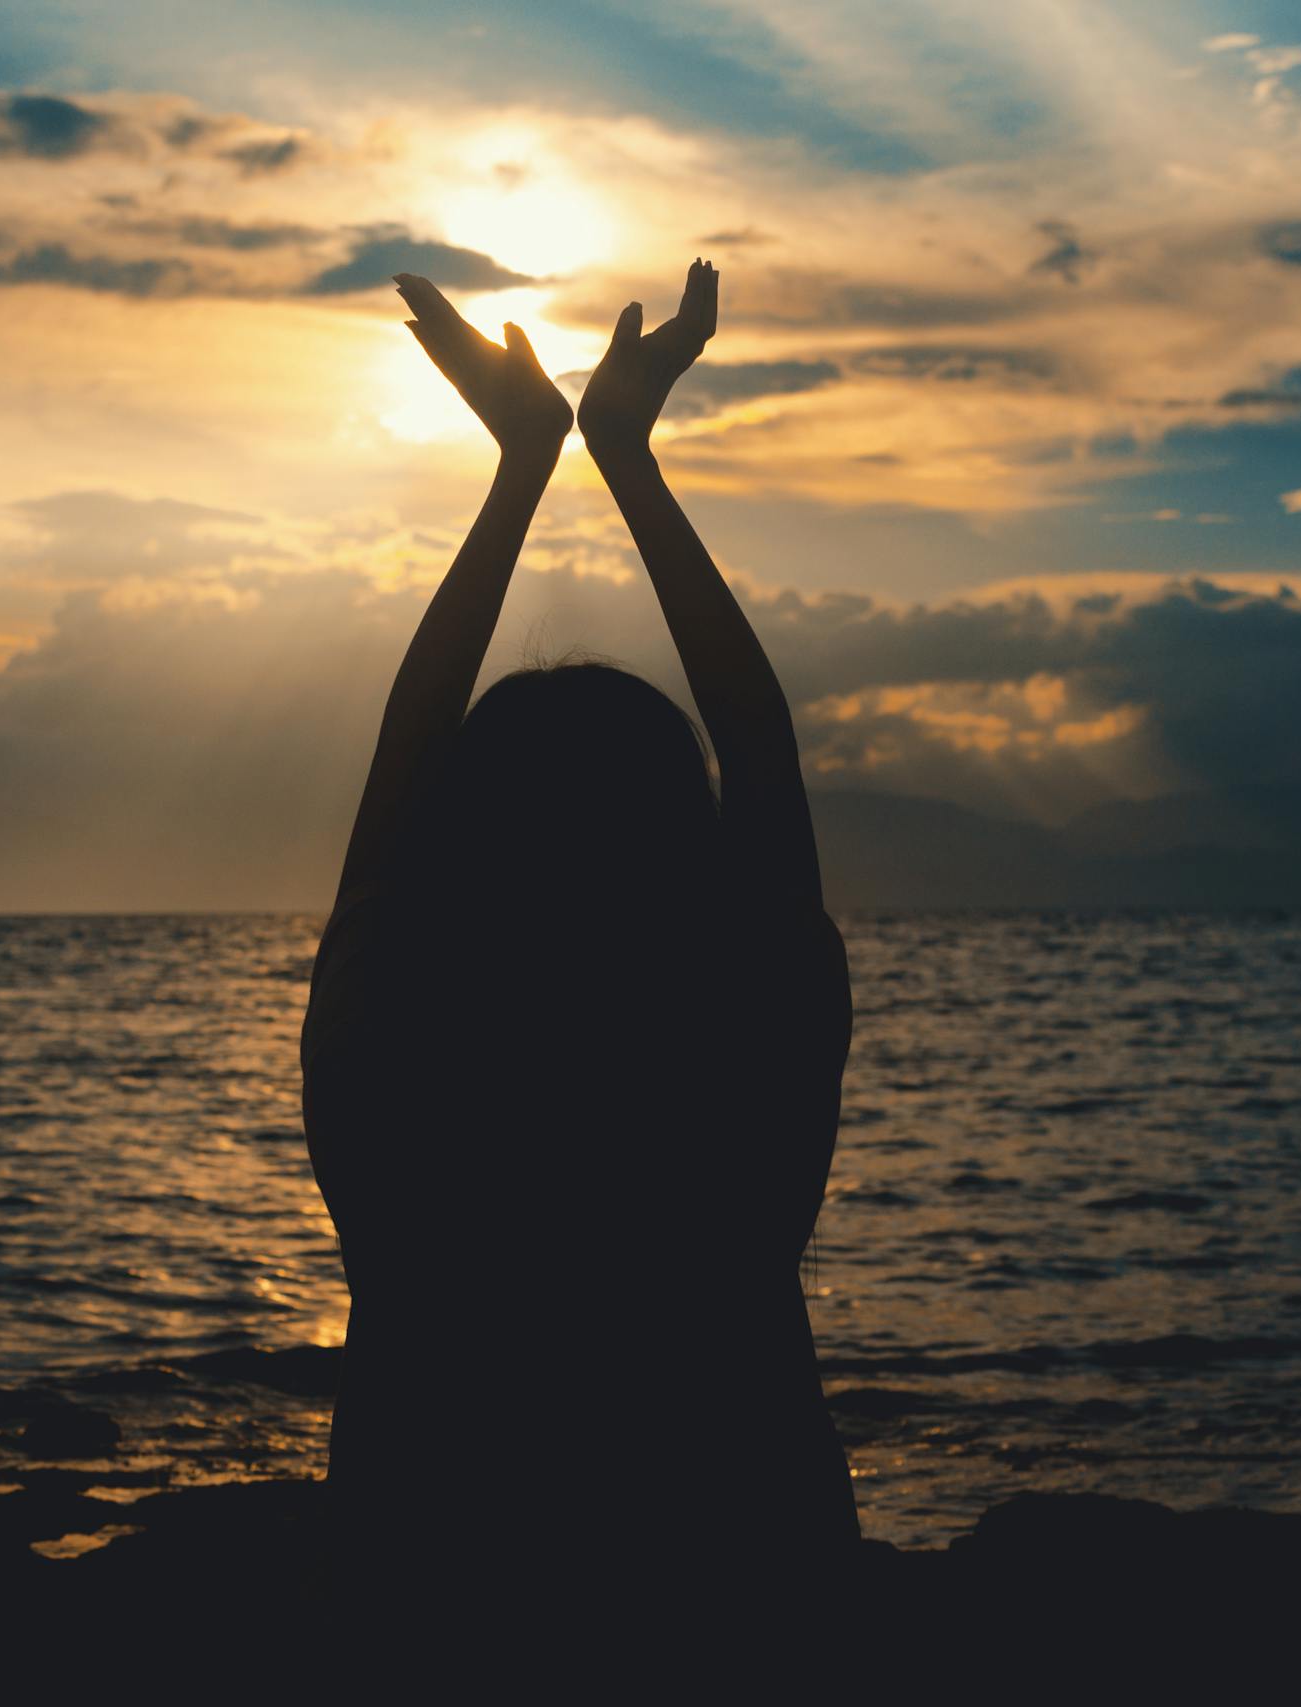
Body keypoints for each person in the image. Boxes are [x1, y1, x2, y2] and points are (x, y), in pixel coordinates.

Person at [299, 261, 857, 1653]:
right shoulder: (743, 1076)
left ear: (455, 856)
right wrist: (623, 457)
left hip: (429, 1606)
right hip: (744, 1596)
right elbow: (765, 749)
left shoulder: (396, 1078)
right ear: (689, 856)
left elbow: (402, 769)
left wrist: (524, 470)